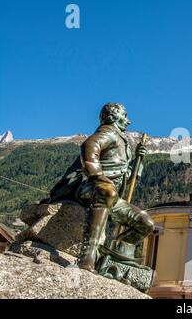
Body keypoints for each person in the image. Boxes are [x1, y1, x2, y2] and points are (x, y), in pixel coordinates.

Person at [45, 103, 154, 272]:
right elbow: (90, 146)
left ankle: (112, 256)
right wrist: (97, 176)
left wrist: (138, 161)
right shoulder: (109, 131)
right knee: (108, 192)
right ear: (112, 117)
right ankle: (86, 259)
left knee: (145, 223)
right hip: (90, 188)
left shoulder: (123, 141)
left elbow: (126, 174)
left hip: (111, 197)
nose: (128, 121)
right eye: (125, 116)